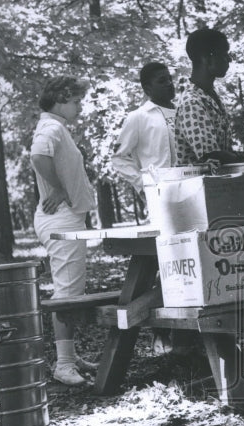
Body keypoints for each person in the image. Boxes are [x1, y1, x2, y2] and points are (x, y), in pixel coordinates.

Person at [31, 77, 97, 386]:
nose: (80, 106)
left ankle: (70, 354)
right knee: (67, 293)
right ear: (60, 99)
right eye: (76, 101)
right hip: (60, 220)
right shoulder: (52, 128)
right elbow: (38, 156)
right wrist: (56, 187)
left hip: (67, 219)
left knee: (73, 291)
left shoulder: (56, 127)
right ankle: (64, 364)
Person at [174, 28, 244, 166]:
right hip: (196, 185)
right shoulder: (191, 102)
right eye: (223, 54)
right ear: (206, 59)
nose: (229, 59)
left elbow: (223, 151)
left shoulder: (211, 97)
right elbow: (211, 155)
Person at [111, 61, 177, 199]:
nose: (169, 83)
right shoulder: (138, 117)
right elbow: (118, 157)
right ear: (148, 89)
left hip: (191, 184)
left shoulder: (183, 112)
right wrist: (142, 185)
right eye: (162, 81)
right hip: (159, 192)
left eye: (170, 79)